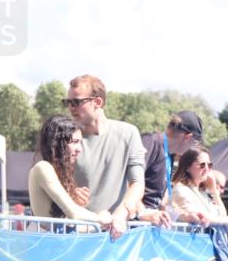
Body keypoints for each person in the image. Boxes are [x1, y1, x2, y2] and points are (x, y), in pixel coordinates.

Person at [65, 74, 168, 238]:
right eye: (67, 102)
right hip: (77, 233)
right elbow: (51, 179)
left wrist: (122, 212)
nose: (70, 107)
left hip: (115, 234)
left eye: (76, 102)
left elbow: (137, 183)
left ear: (97, 102)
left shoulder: (129, 133)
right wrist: (69, 191)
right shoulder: (66, 135)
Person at [28, 115, 112, 229]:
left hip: (53, 242)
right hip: (45, 243)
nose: (80, 149)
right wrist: (100, 218)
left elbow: (66, 220)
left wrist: (72, 197)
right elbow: (74, 213)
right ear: (58, 143)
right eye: (75, 142)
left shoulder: (53, 171)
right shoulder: (43, 168)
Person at [170, 146, 228, 229]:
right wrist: (224, 221)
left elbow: (223, 215)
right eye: (202, 165)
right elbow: (199, 218)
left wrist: (214, 191)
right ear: (187, 167)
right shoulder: (180, 189)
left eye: (209, 165)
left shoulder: (203, 192)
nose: (207, 169)